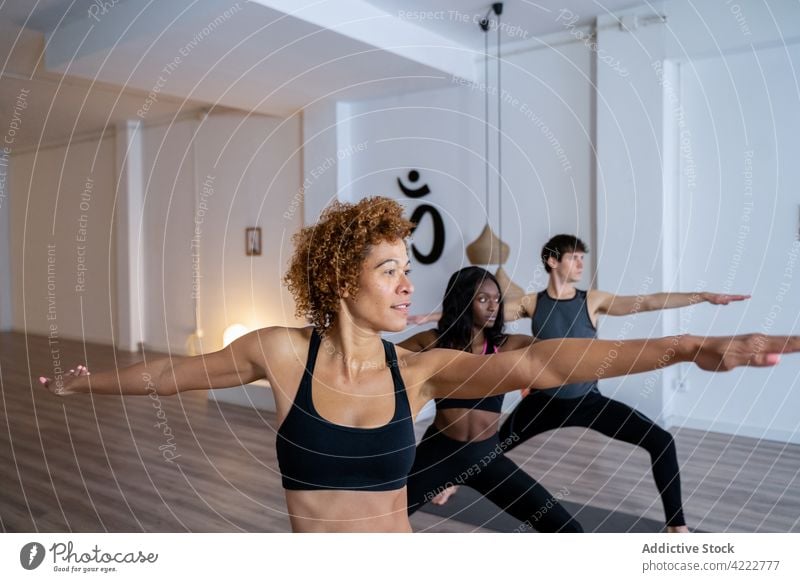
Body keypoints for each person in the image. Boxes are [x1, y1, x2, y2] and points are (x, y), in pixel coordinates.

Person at [39, 199, 794, 533]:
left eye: (409, 269)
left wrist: (690, 346)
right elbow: (166, 375)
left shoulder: (422, 370)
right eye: (390, 270)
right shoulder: (276, 352)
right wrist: (85, 381)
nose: (408, 285)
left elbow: (551, 358)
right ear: (340, 280)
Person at [498, 234, 750, 532]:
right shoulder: (531, 303)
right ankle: (449, 484)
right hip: (543, 403)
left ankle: (676, 526)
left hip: (587, 401)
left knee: (662, 442)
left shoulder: (591, 300)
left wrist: (704, 295)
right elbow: (486, 315)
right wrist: (439, 316)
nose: (581, 264)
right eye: (573, 257)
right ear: (553, 261)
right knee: (487, 451)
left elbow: (648, 302)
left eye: (582, 258)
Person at [400, 267, 582, 532]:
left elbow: (556, 353)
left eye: (497, 299)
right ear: (462, 300)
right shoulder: (433, 342)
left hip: (486, 457)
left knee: (568, 529)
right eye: (483, 299)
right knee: (371, 527)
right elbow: (379, 360)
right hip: (437, 454)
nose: (493, 306)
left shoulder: (507, 346)